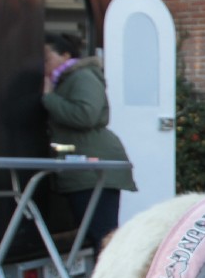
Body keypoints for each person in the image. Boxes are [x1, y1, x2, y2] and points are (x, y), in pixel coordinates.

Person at [41, 32, 137, 256]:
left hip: (93, 168)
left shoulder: (82, 77)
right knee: (94, 234)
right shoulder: (65, 80)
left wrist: (48, 98)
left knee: (102, 235)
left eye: (47, 59)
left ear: (66, 56)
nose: (43, 65)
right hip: (83, 169)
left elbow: (86, 115)